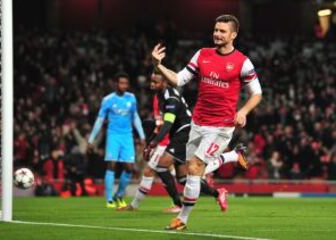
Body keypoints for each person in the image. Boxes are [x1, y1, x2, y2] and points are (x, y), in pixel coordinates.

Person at [151, 14, 263, 230]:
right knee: (191, 171)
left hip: (221, 126)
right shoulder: (202, 54)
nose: (217, 34)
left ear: (233, 34)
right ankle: (232, 155)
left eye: (222, 31)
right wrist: (158, 65)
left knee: (194, 167)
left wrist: (244, 111)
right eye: (216, 30)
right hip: (198, 122)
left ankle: (182, 220)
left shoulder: (242, 62)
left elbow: (257, 93)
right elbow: (179, 79)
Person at [118, 71, 247, 213]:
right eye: (152, 81)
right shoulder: (160, 96)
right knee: (183, 178)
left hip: (185, 133)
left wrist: (153, 143)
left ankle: (177, 205)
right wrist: (151, 141)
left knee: (161, 166)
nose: (152, 84)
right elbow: (162, 123)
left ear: (165, 82)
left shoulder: (171, 98)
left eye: (155, 82)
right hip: (179, 134)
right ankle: (218, 193)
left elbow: (167, 124)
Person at [88, 72, 145, 208]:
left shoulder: (131, 98)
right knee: (111, 165)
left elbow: (135, 117)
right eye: (121, 83)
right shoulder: (108, 100)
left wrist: (142, 136)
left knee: (130, 168)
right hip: (113, 135)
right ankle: (109, 199)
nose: (124, 86)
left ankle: (119, 195)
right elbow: (100, 119)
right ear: (116, 84)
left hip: (127, 136)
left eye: (126, 83)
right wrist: (91, 139)